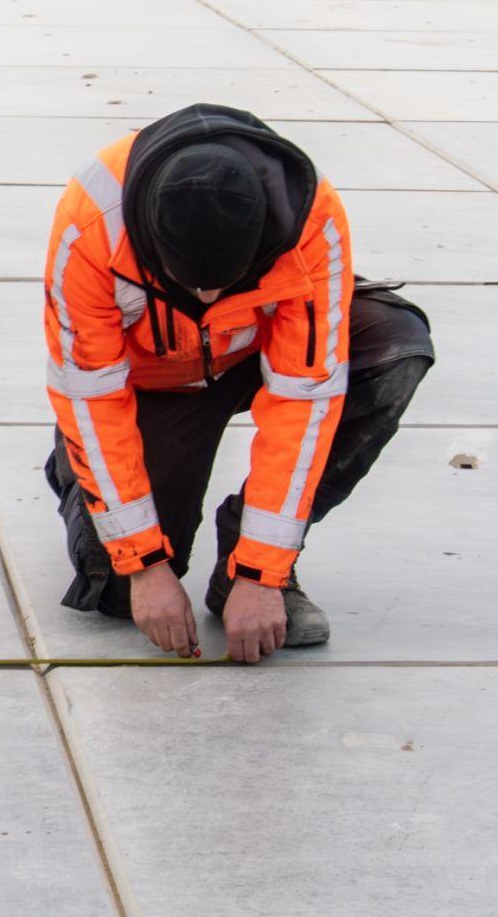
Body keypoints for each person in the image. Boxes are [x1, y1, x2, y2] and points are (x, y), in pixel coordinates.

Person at [42, 103, 434, 662]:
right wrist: (145, 565)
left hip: (258, 349)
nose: (206, 299)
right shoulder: (92, 223)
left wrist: (259, 572)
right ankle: (76, 471)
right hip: (154, 382)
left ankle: (241, 564)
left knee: (392, 344)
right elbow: (91, 395)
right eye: (189, 284)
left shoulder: (310, 219)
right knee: (119, 590)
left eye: (223, 284)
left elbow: (307, 397)